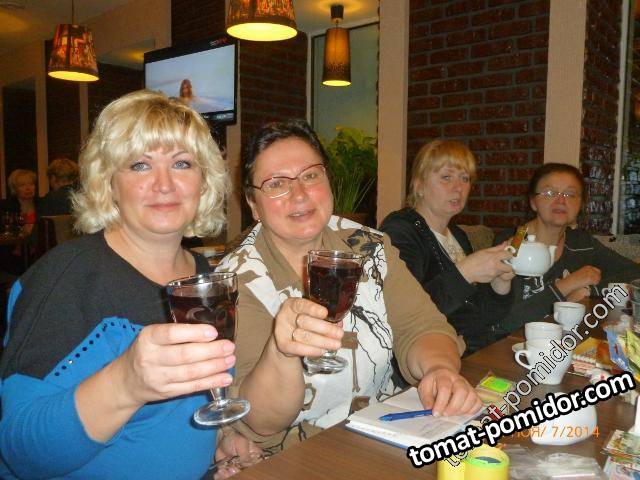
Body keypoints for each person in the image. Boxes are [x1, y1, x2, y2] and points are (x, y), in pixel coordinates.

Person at [0, 90, 252, 479]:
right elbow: (20, 451)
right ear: (109, 183)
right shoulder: (63, 279)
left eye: (182, 163)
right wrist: (126, 383)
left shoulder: (201, 276)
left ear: (203, 181)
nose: (164, 184)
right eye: (139, 165)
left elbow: (175, 417)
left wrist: (218, 443)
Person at [217, 120, 482, 452]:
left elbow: (421, 325)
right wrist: (282, 352)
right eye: (276, 183)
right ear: (253, 205)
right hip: (301, 455)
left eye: (310, 176)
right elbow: (262, 421)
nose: (299, 194)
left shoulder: (368, 245)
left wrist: (439, 371)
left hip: (387, 432)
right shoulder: (237, 281)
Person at [379, 140, 515, 354]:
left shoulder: (458, 235)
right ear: (418, 185)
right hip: (433, 357)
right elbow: (404, 312)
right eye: (446, 177)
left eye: (465, 178)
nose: (458, 188)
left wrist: (501, 282)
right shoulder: (400, 231)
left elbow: (486, 316)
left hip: (476, 350)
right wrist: (466, 271)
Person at [495, 162, 640, 331]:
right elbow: (505, 322)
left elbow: (633, 274)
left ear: (580, 204)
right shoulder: (513, 242)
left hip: (568, 339)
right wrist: (566, 286)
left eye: (570, 194)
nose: (561, 200)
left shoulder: (582, 243)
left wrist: (589, 289)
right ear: (533, 202)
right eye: (550, 193)